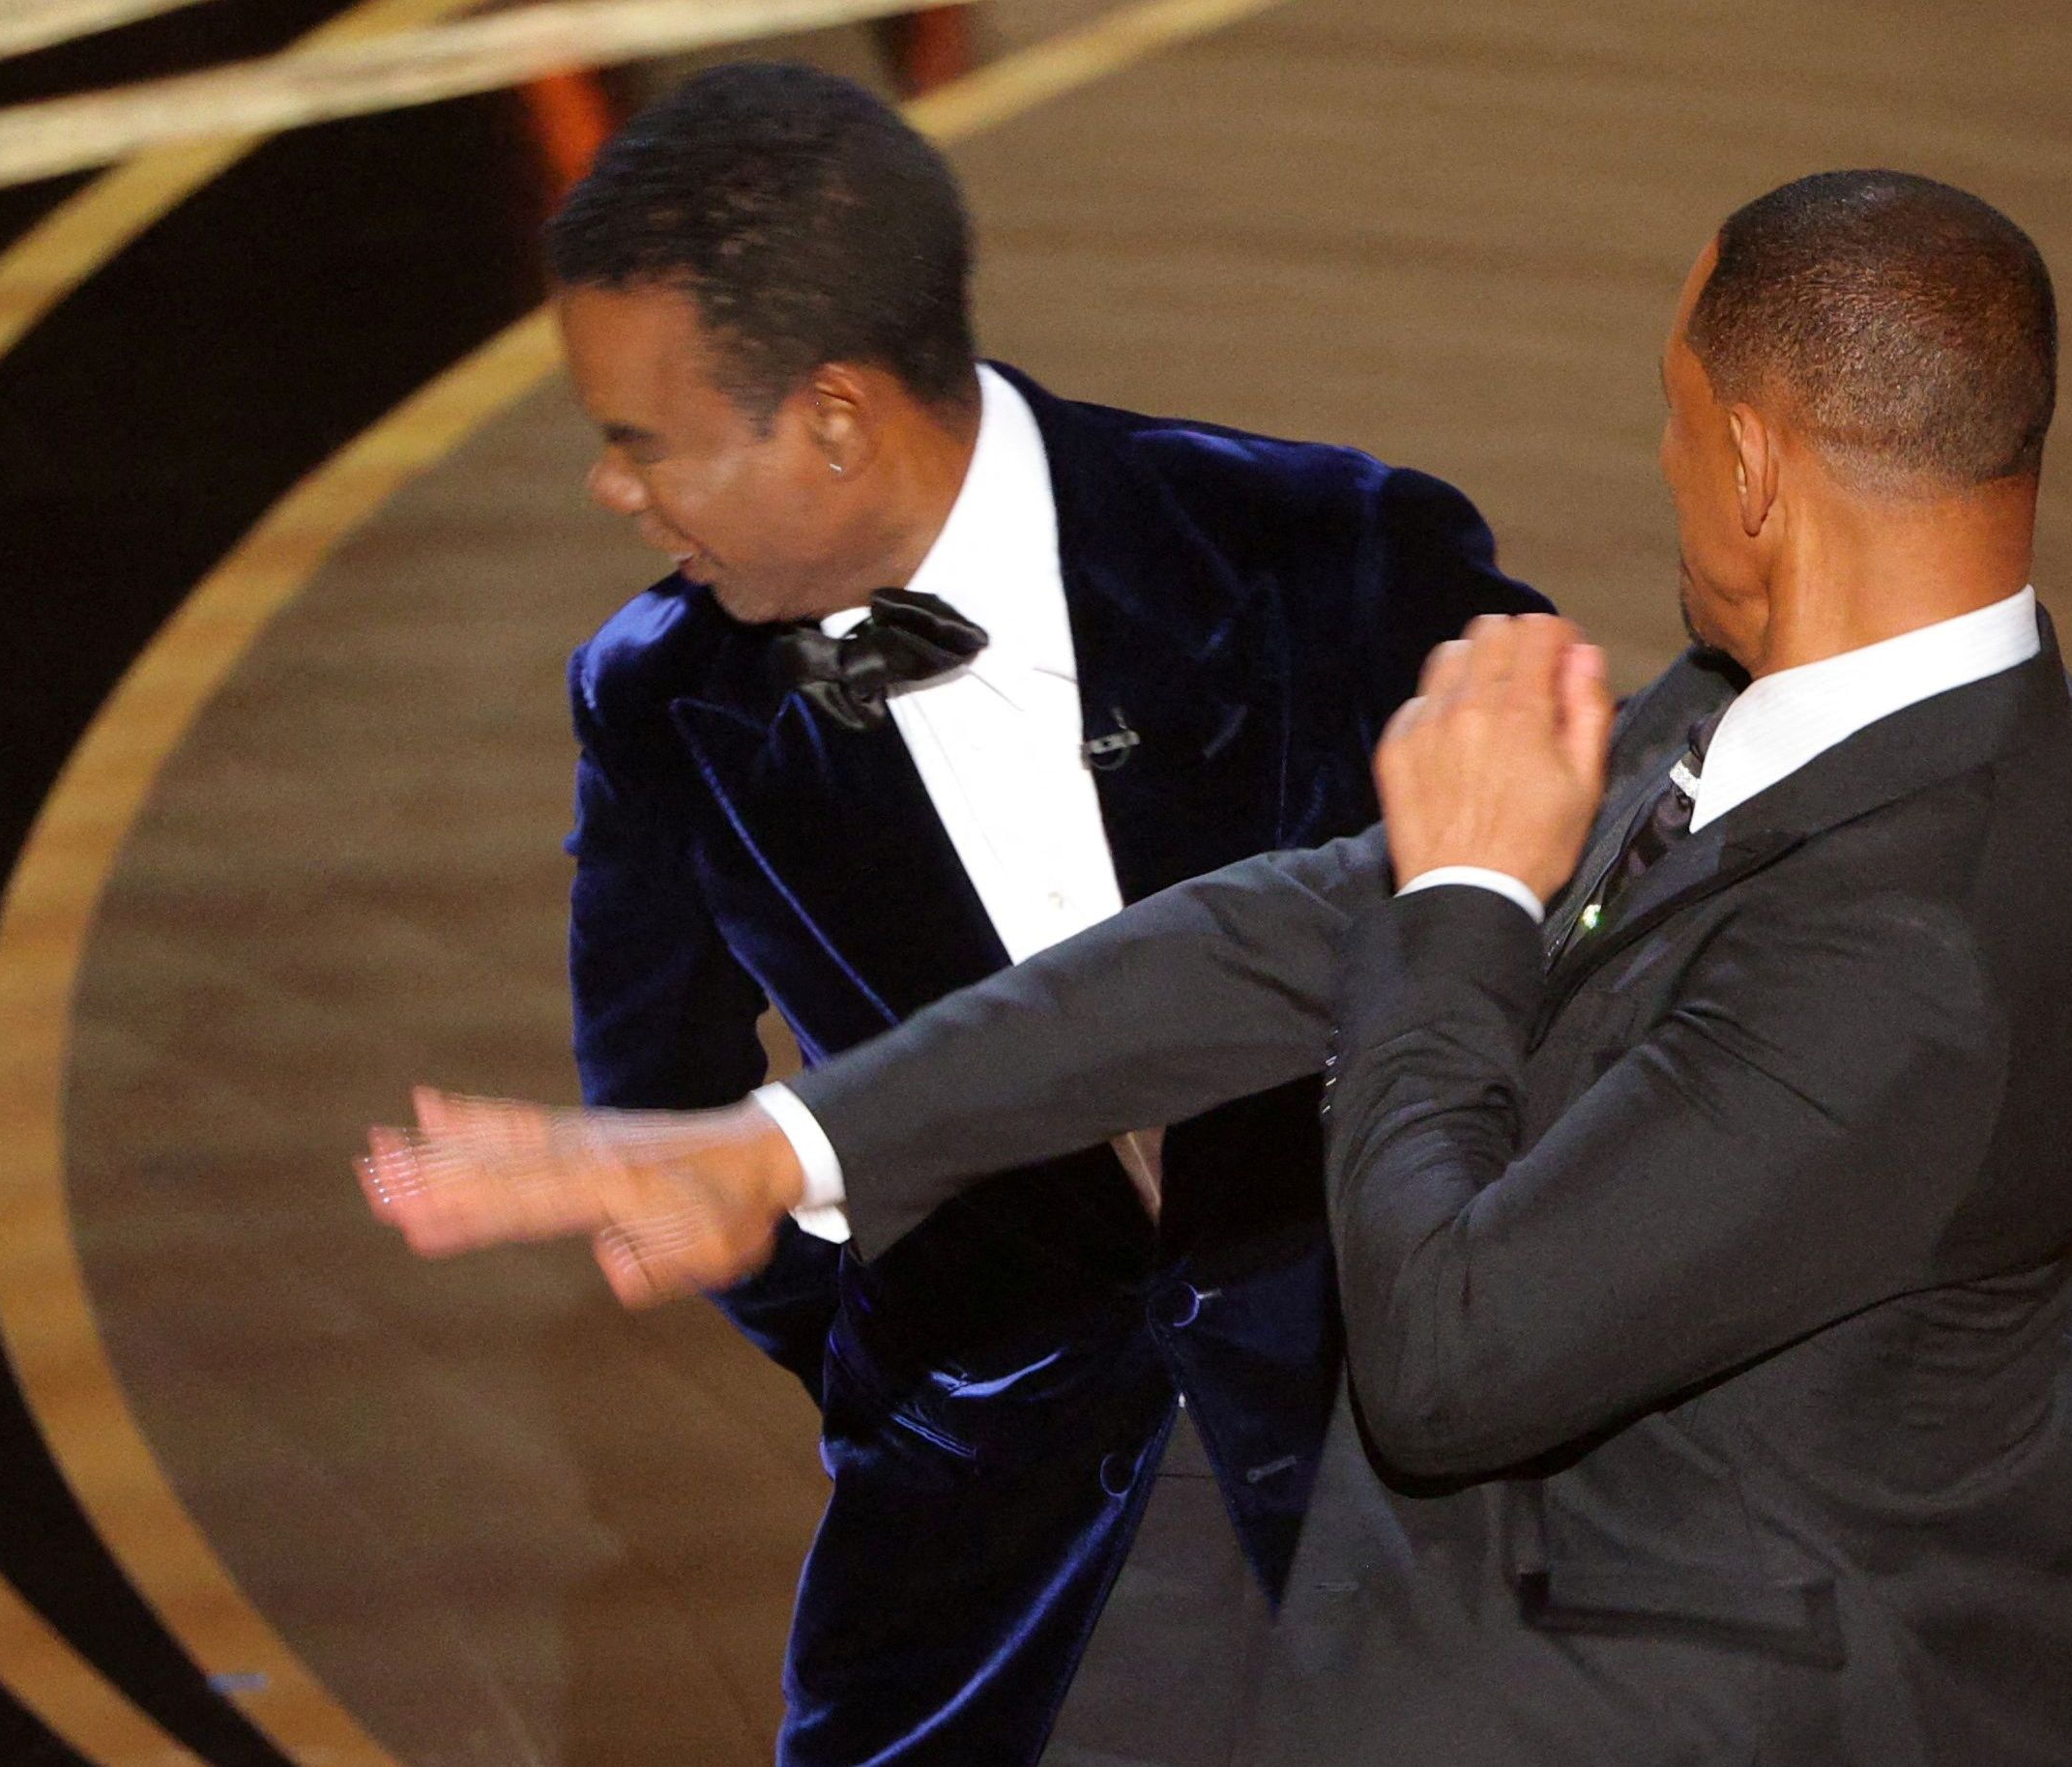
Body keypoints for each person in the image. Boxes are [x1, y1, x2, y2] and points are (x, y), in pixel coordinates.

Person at [381, 170, 2072, 1756]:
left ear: (1754, 457)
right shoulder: (1794, 695)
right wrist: (794, 1139)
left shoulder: (1919, 933)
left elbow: (1458, 1344)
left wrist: (1472, 903)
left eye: (1677, 430)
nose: (1662, 472)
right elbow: (1301, 923)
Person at [527, 61, 1548, 1767]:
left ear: (835, 417)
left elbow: (1587, 951)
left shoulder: (1335, 552)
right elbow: (665, 1098)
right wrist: (900, 1363)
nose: (610, 490)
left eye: (639, 441)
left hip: (1428, 1503)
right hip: (993, 1553)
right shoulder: (656, 699)